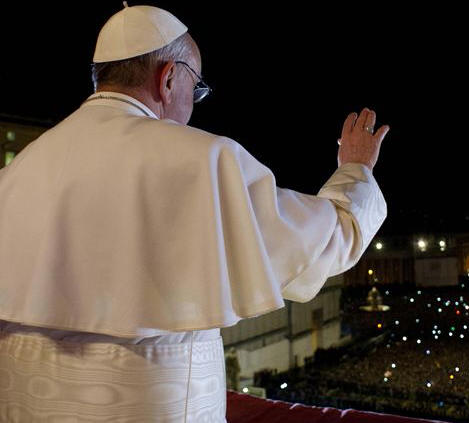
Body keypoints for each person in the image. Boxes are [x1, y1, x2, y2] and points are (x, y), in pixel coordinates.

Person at [0, 4, 389, 422]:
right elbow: (326, 241)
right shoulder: (206, 159)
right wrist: (355, 170)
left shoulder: (19, 168)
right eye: (196, 87)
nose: (194, 102)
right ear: (168, 78)